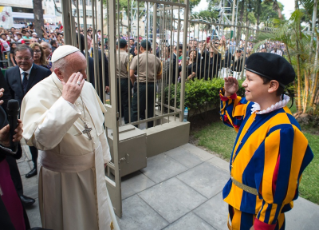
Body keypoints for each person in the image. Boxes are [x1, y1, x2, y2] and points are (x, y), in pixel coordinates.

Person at [20, 45, 119, 230]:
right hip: (64, 179)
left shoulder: (87, 87)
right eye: (79, 71)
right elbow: (42, 141)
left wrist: (104, 157)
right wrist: (66, 102)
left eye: (85, 70)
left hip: (94, 168)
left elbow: (98, 127)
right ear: (58, 72)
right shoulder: (36, 95)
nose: (85, 76)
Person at [219, 53, 313, 230]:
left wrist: (263, 225)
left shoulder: (283, 129)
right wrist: (230, 95)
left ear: (272, 86)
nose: (244, 83)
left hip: (257, 215)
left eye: (249, 79)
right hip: (238, 201)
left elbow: (279, 188)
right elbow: (232, 118)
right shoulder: (252, 107)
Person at [5, 44, 51, 180]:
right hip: (21, 116)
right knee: (29, 141)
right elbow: (9, 95)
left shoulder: (44, 73)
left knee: (41, 141)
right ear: (14, 58)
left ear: (32, 58)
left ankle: (45, 165)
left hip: (40, 115)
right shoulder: (10, 73)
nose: (23, 61)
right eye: (20, 58)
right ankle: (36, 166)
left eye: (26, 58)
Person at [130, 40, 162, 128]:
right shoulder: (157, 59)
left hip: (141, 85)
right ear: (151, 49)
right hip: (152, 85)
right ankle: (150, 128)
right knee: (150, 108)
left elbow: (131, 74)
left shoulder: (137, 58)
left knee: (136, 108)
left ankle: (134, 128)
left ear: (141, 48)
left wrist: (134, 81)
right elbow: (159, 76)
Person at [116, 39, 132, 124]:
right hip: (125, 80)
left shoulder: (112, 55)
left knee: (116, 100)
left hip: (115, 80)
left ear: (117, 46)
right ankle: (127, 121)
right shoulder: (128, 56)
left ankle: (116, 120)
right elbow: (130, 71)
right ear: (126, 46)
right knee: (126, 102)